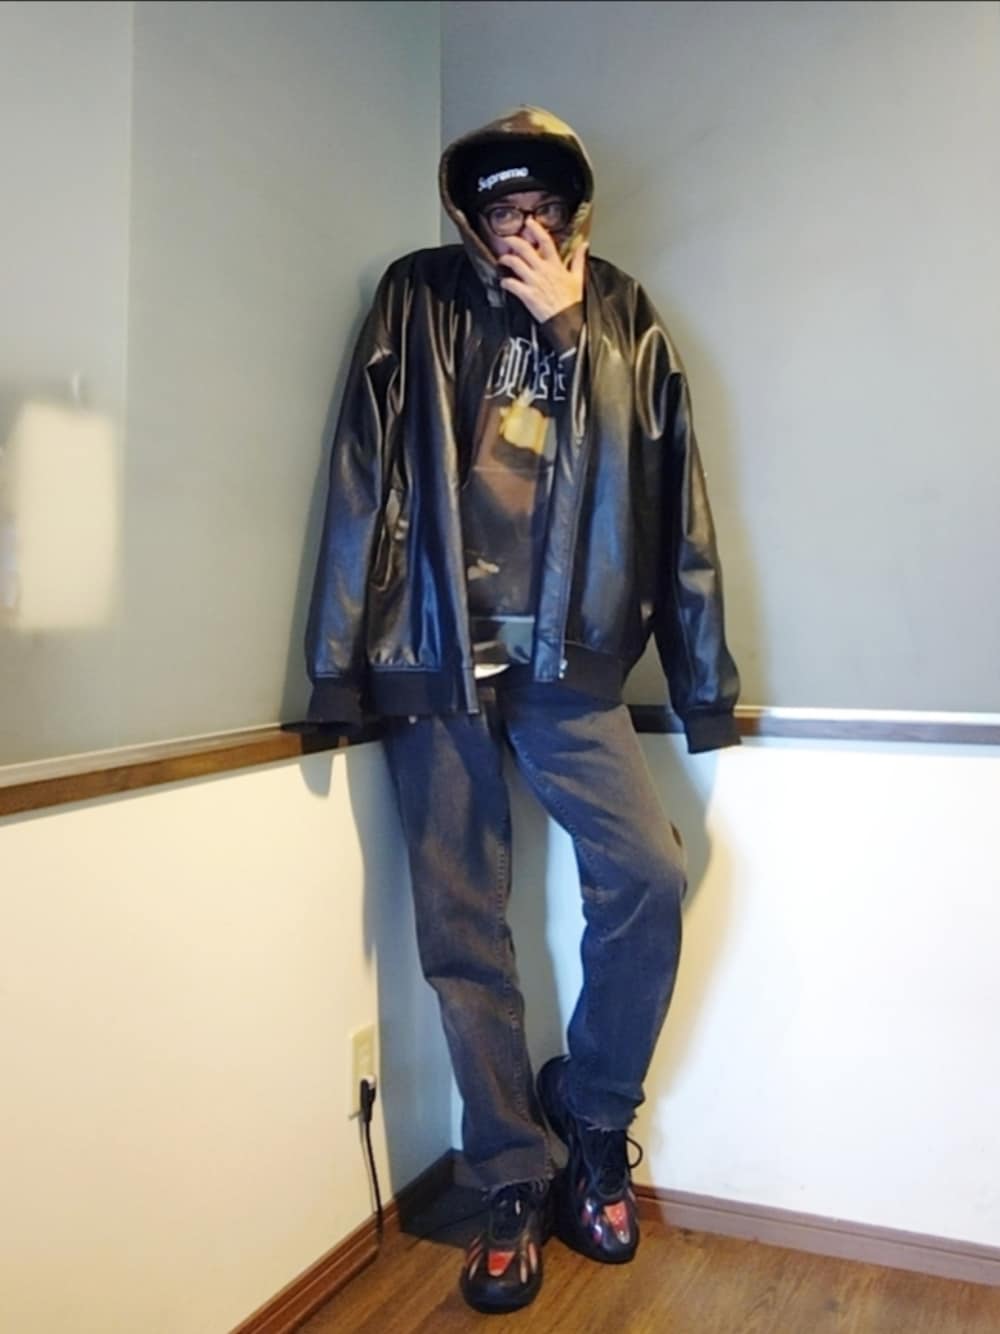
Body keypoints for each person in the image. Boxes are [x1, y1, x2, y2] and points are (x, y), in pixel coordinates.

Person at [302, 105, 741, 1314]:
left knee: (645, 875)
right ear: (468, 214)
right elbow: (359, 474)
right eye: (500, 209)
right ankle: (508, 1168)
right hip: (433, 651)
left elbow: (671, 498)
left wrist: (571, 332)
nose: (521, 228)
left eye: (540, 206)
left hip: (569, 661)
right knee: (463, 924)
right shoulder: (415, 296)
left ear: (573, 213)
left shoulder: (623, 316)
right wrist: (336, 663)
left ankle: (590, 1118)